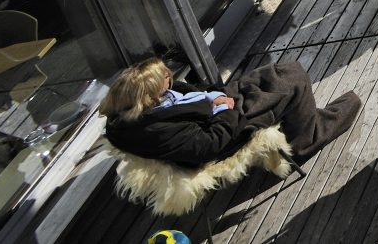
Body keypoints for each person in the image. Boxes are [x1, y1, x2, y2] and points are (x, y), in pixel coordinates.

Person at [99, 56, 360, 168]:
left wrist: (216, 95)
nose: (170, 77)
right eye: (165, 77)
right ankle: (306, 141)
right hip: (229, 127)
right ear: (150, 95)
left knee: (276, 72)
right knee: (294, 81)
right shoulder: (153, 130)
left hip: (216, 108)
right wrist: (224, 107)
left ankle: (305, 121)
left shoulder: (140, 104)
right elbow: (211, 144)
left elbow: (189, 93)